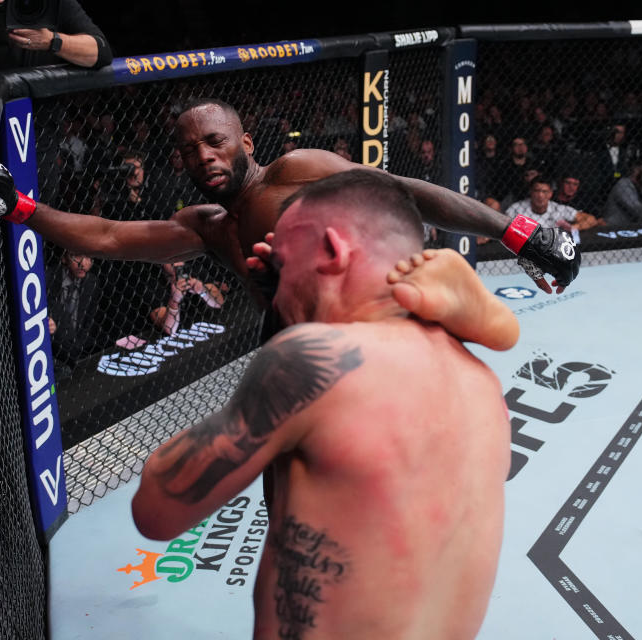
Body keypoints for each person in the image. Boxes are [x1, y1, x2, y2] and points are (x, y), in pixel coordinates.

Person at [131, 170, 513, 639]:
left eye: (285, 265)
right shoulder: (480, 383)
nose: (275, 281)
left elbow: (155, 511)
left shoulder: (314, 363)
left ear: (332, 252)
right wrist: (292, 304)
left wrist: (292, 332)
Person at [0, 98, 579, 346]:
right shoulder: (208, 225)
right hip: (291, 351)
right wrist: (27, 209)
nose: (204, 158)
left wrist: (513, 230)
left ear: (243, 140)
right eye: (190, 152)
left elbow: (405, 192)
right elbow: (111, 237)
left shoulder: (297, 170)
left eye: (214, 143)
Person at [505, 176, 578, 230]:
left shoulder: (558, 208)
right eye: (537, 191)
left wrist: (573, 227)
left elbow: (588, 219)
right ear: (531, 192)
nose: (540, 195)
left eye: (544, 191)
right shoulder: (516, 208)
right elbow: (503, 226)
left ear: (550, 194)